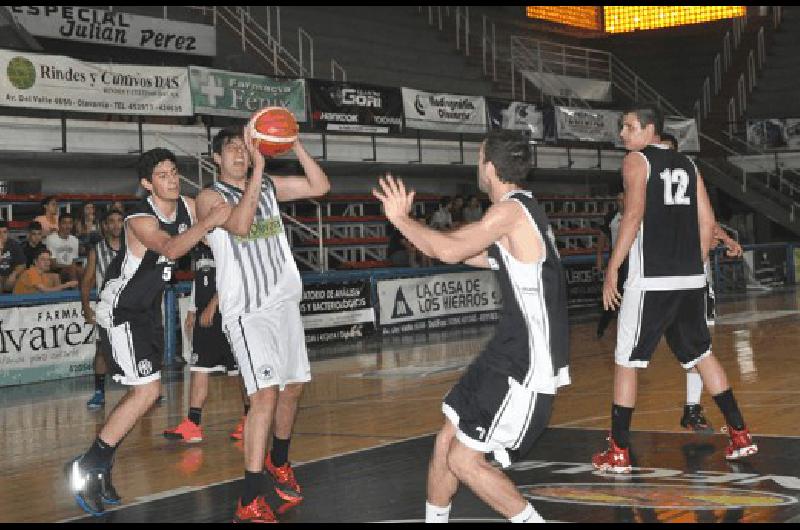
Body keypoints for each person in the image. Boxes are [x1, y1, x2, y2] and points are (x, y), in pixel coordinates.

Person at [374, 130, 570, 523]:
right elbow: (469, 252)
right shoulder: (522, 212)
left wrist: (401, 220)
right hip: (506, 351)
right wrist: (426, 237)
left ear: (490, 167)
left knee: (464, 460)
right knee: (447, 440)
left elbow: (447, 250)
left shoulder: (509, 212)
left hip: (526, 362)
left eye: (479, 158)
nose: (476, 165)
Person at [591, 104, 757, 474]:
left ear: (650, 130)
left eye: (629, 127)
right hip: (689, 280)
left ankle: (618, 451)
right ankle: (740, 434)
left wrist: (613, 267)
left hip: (650, 280)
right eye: (622, 127)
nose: (623, 134)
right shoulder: (689, 165)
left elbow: (632, 215)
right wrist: (694, 264)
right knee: (702, 354)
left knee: (626, 363)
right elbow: (708, 221)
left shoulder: (636, 161)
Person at [65, 148, 229, 516]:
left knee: (147, 394)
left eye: (174, 172)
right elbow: (171, 246)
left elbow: (214, 226)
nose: (171, 179)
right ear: (147, 184)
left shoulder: (187, 206)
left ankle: (99, 465)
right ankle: (88, 464)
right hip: (120, 310)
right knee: (147, 392)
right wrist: (206, 225)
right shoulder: (139, 218)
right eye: (163, 175)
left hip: (147, 312)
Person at [195, 124, 330, 523]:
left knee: (293, 390)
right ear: (216, 158)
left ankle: (279, 461)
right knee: (265, 397)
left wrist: (295, 144)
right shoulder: (208, 197)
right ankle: (249, 497)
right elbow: (238, 225)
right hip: (248, 310)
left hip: (283, 303)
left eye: (244, 147)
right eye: (231, 149)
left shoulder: (268, 184)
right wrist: (257, 172)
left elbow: (319, 186)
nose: (240, 153)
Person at [660, 132, 744, 433]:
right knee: (633, 356)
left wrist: (723, 238)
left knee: (700, 345)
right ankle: (619, 434)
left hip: (693, 279)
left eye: (668, 151)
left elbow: (706, 220)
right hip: (660, 280)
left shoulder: (686, 184)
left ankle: (693, 408)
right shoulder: (647, 187)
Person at [162, 240, 249, 443]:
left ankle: (250, 418)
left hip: (228, 315)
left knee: (240, 373)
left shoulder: (229, 241)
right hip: (204, 317)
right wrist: (192, 308)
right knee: (199, 368)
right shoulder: (199, 248)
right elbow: (199, 279)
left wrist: (213, 305)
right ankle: (193, 424)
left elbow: (234, 276)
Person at [81, 209, 124, 410]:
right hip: (106, 306)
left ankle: (146, 389)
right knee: (101, 350)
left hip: (130, 306)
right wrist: (86, 307)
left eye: (119, 221)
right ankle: (99, 392)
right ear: (105, 226)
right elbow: (88, 280)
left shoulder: (133, 247)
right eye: (112, 222)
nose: (116, 225)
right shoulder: (97, 249)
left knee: (140, 347)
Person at [596, 191, 626, 339]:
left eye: (623, 199)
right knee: (612, 294)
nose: (620, 202)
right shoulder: (611, 217)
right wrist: (599, 256)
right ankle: (602, 327)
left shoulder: (636, 214)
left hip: (634, 260)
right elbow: (602, 237)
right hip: (616, 260)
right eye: (618, 200)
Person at [13, 248, 78, 294]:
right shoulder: (31, 272)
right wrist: (67, 285)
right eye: (43, 259)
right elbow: (46, 291)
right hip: (17, 308)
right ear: (35, 262)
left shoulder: (43, 275)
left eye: (48, 260)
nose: (47, 262)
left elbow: (52, 292)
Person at [45, 213, 82, 282]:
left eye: (70, 223)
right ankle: (75, 291)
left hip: (70, 269)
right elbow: (53, 264)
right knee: (72, 270)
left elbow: (73, 262)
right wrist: (70, 267)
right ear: (59, 224)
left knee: (83, 271)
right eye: (64, 223)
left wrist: (72, 267)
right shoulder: (51, 239)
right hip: (56, 270)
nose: (68, 226)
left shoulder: (74, 240)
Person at [0, 220, 26, 292]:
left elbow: (22, 264)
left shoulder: (14, 245)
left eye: (4, 232)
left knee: (21, 280)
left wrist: (14, 274)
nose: (1, 235)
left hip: (9, 276)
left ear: (8, 233)